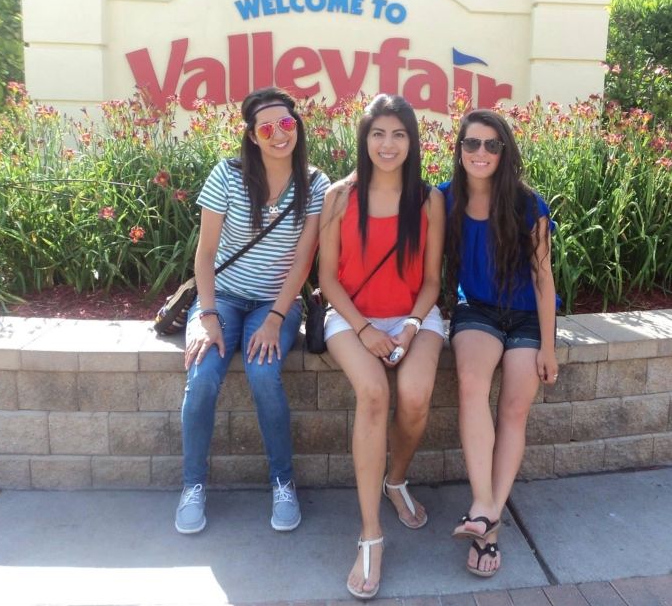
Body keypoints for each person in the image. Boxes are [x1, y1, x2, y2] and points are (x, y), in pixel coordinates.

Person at [175, 87, 330, 535]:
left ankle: (283, 482)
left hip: (274, 302)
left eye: (286, 124)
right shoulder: (227, 175)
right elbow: (204, 255)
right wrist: (206, 316)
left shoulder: (315, 184)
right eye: (267, 127)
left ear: (296, 126)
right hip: (221, 297)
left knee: (264, 373)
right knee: (202, 374)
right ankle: (192, 485)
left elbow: (303, 262)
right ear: (252, 135)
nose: (279, 134)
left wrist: (276, 318)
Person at [318, 94, 445, 600]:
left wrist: (413, 324)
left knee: (414, 397)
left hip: (417, 314)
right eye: (377, 134)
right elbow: (327, 278)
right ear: (363, 139)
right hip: (350, 316)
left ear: (411, 141)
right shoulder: (338, 197)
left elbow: (433, 280)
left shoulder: (429, 199)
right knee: (374, 395)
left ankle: (396, 480)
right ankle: (371, 534)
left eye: (397, 134)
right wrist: (366, 329)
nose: (387, 144)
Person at [438, 109, 558, 578]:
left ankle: (487, 523)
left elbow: (543, 279)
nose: (481, 153)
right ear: (460, 150)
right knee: (471, 384)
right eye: (471, 144)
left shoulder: (529, 204)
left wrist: (547, 347)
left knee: (513, 408)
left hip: (527, 313)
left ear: (504, 151)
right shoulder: (445, 200)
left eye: (491, 145)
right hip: (478, 310)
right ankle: (484, 505)